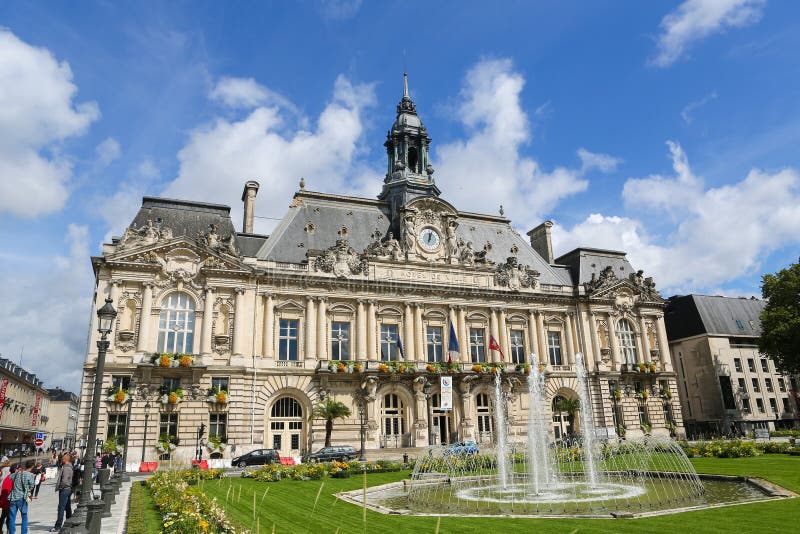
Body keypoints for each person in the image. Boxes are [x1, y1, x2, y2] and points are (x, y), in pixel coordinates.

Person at [8, 460, 35, 534]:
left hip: (13, 497)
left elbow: (10, 477)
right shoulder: (30, 475)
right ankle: (23, 533)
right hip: (22, 498)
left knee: (12, 517)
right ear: (32, 466)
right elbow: (32, 486)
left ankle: (11, 532)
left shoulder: (17, 473)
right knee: (24, 517)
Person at [50, 454, 73, 532]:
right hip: (68, 489)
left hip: (65, 489)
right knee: (67, 507)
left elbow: (65, 480)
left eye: (62, 459)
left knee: (61, 508)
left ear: (65, 460)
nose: (61, 460)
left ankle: (58, 526)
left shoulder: (66, 468)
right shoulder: (70, 467)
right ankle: (70, 522)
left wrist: (61, 487)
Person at [0, 465, 16, 534]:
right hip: (8, 500)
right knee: (8, 517)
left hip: (4, 500)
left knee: (3, 516)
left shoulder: (8, 477)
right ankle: (9, 531)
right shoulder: (12, 478)